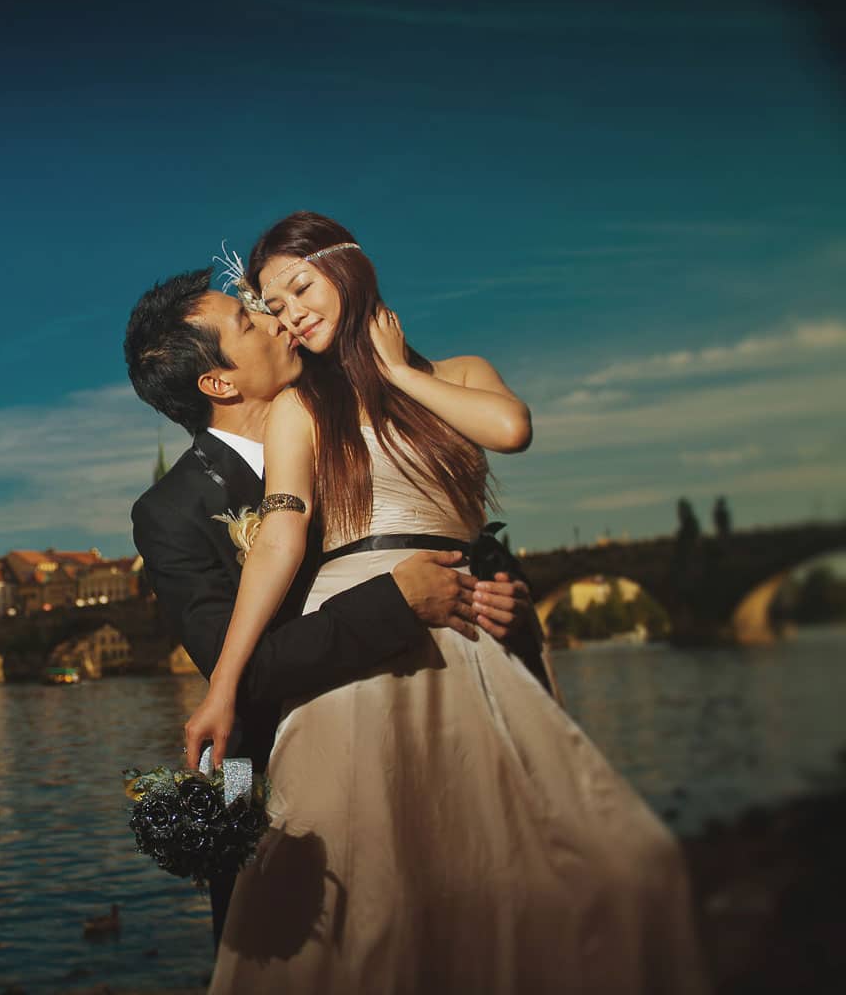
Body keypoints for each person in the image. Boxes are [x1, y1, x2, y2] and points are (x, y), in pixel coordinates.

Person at [192, 211, 708, 993]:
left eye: (300, 286)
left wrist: (396, 372)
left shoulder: (459, 372)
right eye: (273, 303)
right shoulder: (299, 408)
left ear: (349, 270)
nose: (292, 312)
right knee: (368, 896)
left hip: (466, 632)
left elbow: (511, 428)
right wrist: (223, 684)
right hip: (359, 644)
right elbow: (280, 536)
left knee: (608, 860)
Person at [124, 264, 544, 950]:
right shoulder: (171, 511)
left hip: (428, 714)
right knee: (287, 955)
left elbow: (444, 533)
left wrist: (498, 590)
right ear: (219, 383)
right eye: (248, 320)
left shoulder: (357, 418)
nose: (274, 318)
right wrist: (398, 601)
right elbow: (246, 674)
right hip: (266, 774)